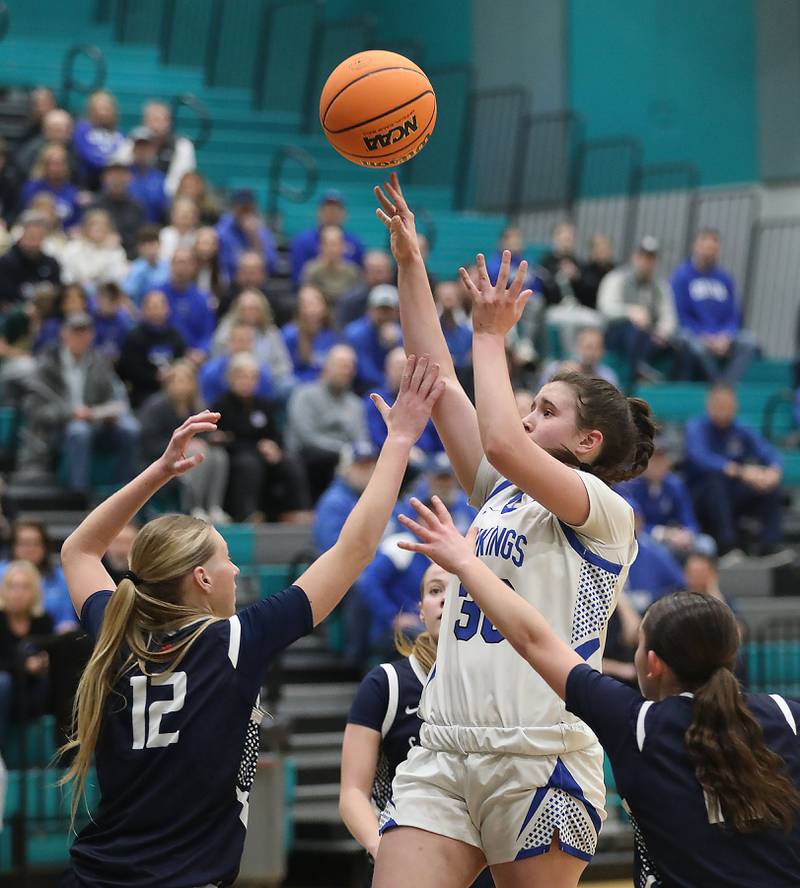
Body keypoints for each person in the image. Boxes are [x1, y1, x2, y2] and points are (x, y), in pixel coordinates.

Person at [56, 354, 444, 887]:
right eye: (224, 559)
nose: (236, 568)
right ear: (202, 579)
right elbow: (354, 551)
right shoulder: (233, 641)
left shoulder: (117, 632)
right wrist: (399, 440)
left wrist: (159, 471)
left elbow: (78, 551)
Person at [371, 173, 654, 887]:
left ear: (587, 443)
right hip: (444, 745)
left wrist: (491, 335)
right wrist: (411, 262)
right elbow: (435, 379)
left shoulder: (603, 511)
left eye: (549, 409)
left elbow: (500, 437)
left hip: (540, 754)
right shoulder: (500, 493)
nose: (530, 412)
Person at [397, 499, 800, 888]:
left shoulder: (637, 725)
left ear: (652, 663)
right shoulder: (787, 715)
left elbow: (534, 640)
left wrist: (466, 564)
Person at [341, 565, 463, 885]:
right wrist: (380, 848)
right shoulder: (387, 683)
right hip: (408, 859)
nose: (444, 599)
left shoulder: (501, 683)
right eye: (435, 591)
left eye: (460, 589)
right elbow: (353, 791)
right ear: (420, 609)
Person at [21, 313, 139, 493]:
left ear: (91, 335)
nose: (81, 337)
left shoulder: (99, 361)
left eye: (85, 332)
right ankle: (79, 494)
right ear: (64, 334)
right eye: (76, 332)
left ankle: (123, 491)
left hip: (97, 423)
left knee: (130, 429)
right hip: (56, 430)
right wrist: (70, 413)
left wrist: (107, 413)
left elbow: (113, 397)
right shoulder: (47, 363)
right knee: (79, 431)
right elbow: (36, 410)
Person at [685, 384, 784, 556]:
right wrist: (740, 471)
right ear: (710, 405)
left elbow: (767, 452)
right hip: (700, 495)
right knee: (717, 480)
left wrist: (773, 472)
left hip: (732, 494)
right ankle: (728, 546)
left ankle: (770, 546)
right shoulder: (696, 427)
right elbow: (700, 457)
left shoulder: (741, 429)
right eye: (719, 405)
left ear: (735, 406)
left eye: (727, 405)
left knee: (770, 487)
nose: (724, 410)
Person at [212, 354, 310, 523]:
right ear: (231, 378)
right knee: (249, 464)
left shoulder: (265, 404)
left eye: (252, 377)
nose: (247, 381)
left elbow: (275, 433)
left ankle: (296, 510)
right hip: (236, 455)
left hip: (263, 453)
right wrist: (256, 446)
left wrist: (273, 446)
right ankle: (248, 513)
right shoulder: (222, 405)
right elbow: (224, 439)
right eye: (242, 376)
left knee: (290, 462)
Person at [138, 360, 229, 524]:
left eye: (187, 381)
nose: (183, 386)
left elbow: (204, 435)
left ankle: (214, 507)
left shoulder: (196, 405)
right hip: (161, 458)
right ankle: (194, 506)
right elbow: (148, 442)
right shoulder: (156, 406)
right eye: (178, 381)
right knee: (196, 453)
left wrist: (211, 438)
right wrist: (184, 445)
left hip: (192, 452)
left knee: (219, 455)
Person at [671, 229, 758, 384]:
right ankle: (718, 387)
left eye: (713, 249)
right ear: (696, 247)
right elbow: (680, 315)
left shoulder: (725, 278)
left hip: (722, 336)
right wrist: (705, 337)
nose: (708, 253)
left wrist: (726, 336)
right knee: (696, 346)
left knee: (749, 341)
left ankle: (726, 386)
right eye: (705, 248)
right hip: (695, 335)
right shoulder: (681, 276)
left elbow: (734, 316)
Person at [286, 344, 368, 501]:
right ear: (326, 367)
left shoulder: (355, 404)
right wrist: (342, 449)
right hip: (308, 455)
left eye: (350, 367)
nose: (346, 371)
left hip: (346, 459)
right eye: (341, 366)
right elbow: (306, 437)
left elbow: (361, 438)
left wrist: (355, 452)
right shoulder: (304, 394)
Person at [618, 431, 716, 558]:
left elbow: (689, 518)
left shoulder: (675, 485)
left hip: (675, 536)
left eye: (662, 458)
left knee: (706, 544)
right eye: (654, 459)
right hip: (646, 538)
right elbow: (634, 525)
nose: (658, 464)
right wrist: (663, 533)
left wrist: (688, 533)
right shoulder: (629, 487)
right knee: (657, 549)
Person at [599, 237, 679, 384]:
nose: (646, 262)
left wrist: (663, 331)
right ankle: (639, 372)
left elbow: (669, 314)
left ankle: (675, 387)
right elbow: (606, 309)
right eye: (642, 257)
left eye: (650, 258)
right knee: (634, 331)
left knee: (680, 345)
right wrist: (630, 312)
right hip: (617, 333)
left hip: (649, 336)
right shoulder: (617, 278)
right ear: (634, 257)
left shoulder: (660, 286)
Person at [0, 562, 53, 739]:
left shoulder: (44, 620)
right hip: (6, 687)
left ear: (34, 591)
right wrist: (24, 666)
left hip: (33, 686)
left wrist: (44, 662)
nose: (18, 593)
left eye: (25, 587)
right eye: (12, 586)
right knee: (3, 682)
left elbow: (50, 654)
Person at [212, 288, 294, 398]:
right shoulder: (226, 330)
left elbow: (284, 365)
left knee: (288, 385)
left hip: (267, 380)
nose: (249, 312)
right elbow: (217, 359)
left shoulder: (271, 332)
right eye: (245, 308)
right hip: (231, 380)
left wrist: (263, 375)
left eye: (254, 308)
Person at [0, 520, 75, 632]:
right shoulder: (2, 572)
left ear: (44, 546)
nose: (30, 549)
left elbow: (66, 618)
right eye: (24, 543)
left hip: (49, 635)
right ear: (13, 545)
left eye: (36, 543)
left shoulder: (60, 577)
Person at [366, 347, 442, 459]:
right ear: (387, 369)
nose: (404, 372)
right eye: (399, 367)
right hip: (390, 456)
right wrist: (404, 449)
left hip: (429, 459)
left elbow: (437, 436)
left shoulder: (425, 398)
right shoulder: (376, 398)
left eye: (408, 367)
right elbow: (375, 437)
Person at [117, 289, 186, 408]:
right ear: (143, 310)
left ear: (167, 309)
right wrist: (155, 376)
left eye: (159, 307)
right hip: (143, 393)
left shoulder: (175, 336)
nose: (156, 311)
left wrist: (171, 375)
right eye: (152, 307)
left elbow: (181, 361)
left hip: (173, 390)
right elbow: (129, 369)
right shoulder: (134, 337)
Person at [291, 190, 366, 285]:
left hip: (348, 293)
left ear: (344, 213)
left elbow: (360, 276)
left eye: (336, 209)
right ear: (319, 212)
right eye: (328, 209)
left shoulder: (355, 242)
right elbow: (298, 277)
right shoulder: (303, 241)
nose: (332, 213)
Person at [344, 285, 403, 392]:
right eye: (381, 310)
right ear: (370, 310)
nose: (385, 316)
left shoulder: (402, 334)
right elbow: (365, 373)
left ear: (397, 313)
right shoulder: (356, 333)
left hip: (395, 389)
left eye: (389, 311)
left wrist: (395, 344)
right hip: (362, 390)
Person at [161, 247, 216, 363]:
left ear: (194, 267)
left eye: (186, 263)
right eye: (178, 262)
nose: (181, 267)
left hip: (194, 358)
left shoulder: (203, 299)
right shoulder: (157, 294)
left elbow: (208, 334)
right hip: (163, 355)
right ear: (171, 265)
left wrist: (201, 351)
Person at [199, 322, 273, 406]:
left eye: (247, 341)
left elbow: (266, 404)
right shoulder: (211, 372)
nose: (243, 345)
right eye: (239, 340)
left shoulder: (263, 372)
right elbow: (207, 403)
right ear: (229, 342)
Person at [0, 211, 61, 310]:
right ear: (21, 234)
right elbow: (4, 299)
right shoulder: (6, 262)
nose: (34, 243)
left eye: (39, 238)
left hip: (45, 314)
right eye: (31, 237)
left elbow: (57, 291)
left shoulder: (51, 263)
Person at [88, 154, 145, 260]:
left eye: (121, 174)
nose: (117, 178)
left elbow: (140, 240)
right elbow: (86, 236)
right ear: (104, 177)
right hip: (98, 258)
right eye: (113, 174)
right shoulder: (95, 205)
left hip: (130, 260)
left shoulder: (137, 206)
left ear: (129, 177)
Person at [216, 189, 279, 281]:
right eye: (242, 210)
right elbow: (222, 264)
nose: (245, 214)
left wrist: (254, 237)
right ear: (234, 209)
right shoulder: (222, 231)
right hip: (230, 284)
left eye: (249, 209)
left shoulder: (262, 231)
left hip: (257, 284)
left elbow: (271, 265)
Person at [282, 284, 341, 382]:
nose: (311, 309)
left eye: (314, 303)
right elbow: (287, 372)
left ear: (324, 306)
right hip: (301, 386)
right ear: (299, 309)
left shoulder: (332, 333)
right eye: (305, 304)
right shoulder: (290, 334)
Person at [60, 208, 128, 289]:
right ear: (86, 227)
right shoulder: (74, 247)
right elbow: (67, 274)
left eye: (103, 225)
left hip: (106, 293)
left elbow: (120, 277)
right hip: (78, 291)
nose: (98, 228)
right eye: (94, 224)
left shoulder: (115, 250)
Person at [72, 90, 126, 191]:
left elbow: (124, 156)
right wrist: (111, 163)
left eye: (107, 108)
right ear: (91, 110)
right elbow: (88, 156)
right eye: (99, 108)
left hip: (113, 184)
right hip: (88, 182)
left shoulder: (120, 133)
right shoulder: (82, 130)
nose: (103, 112)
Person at [21, 144, 82, 230]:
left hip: (65, 236)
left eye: (59, 164)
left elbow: (76, 221)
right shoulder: (32, 188)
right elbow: (25, 215)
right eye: (50, 163)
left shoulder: (72, 191)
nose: (54, 168)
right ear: (43, 165)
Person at [142, 100, 197, 197]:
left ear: (169, 122)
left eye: (160, 120)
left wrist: (157, 191)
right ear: (144, 123)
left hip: (171, 197)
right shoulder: (136, 140)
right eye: (152, 120)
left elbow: (181, 179)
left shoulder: (183, 145)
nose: (156, 126)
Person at [538, 326, 619, 390]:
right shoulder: (555, 369)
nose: (591, 353)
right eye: (588, 347)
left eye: (597, 348)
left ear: (602, 351)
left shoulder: (608, 377)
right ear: (578, 347)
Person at [302, 225, 364, 307]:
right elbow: (307, 294)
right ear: (320, 246)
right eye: (327, 244)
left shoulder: (352, 271)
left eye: (334, 244)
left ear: (342, 246)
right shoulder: (311, 270)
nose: (331, 249)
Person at [337, 249, 395, 328]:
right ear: (364, 272)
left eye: (381, 271)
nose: (378, 277)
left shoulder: (402, 297)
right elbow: (342, 331)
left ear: (390, 272)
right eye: (373, 271)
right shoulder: (351, 301)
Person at [127, 127, 168, 225]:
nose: (142, 152)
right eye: (139, 147)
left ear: (153, 150)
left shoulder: (160, 178)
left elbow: (163, 208)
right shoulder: (123, 174)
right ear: (133, 150)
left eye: (146, 148)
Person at [122, 225, 169, 306]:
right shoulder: (134, 268)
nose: (148, 248)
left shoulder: (167, 267)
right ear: (139, 248)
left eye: (152, 243)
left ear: (159, 245)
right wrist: (136, 315)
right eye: (144, 244)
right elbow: (125, 296)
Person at [158, 195, 198, 264]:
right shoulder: (164, 234)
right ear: (172, 215)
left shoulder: (198, 236)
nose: (185, 215)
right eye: (181, 212)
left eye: (189, 212)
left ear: (195, 217)